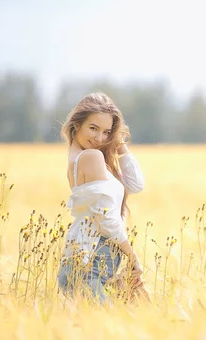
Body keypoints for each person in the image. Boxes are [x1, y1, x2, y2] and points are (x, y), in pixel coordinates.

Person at [57, 91, 145, 305]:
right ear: (77, 125)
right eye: (93, 128)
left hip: (90, 265)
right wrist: (132, 256)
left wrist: (119, 143)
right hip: (89, 267)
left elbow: (135, 185)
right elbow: (104, 218)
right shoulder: (91, 157)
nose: (99, 138)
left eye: (107, 132)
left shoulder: (82, 158)